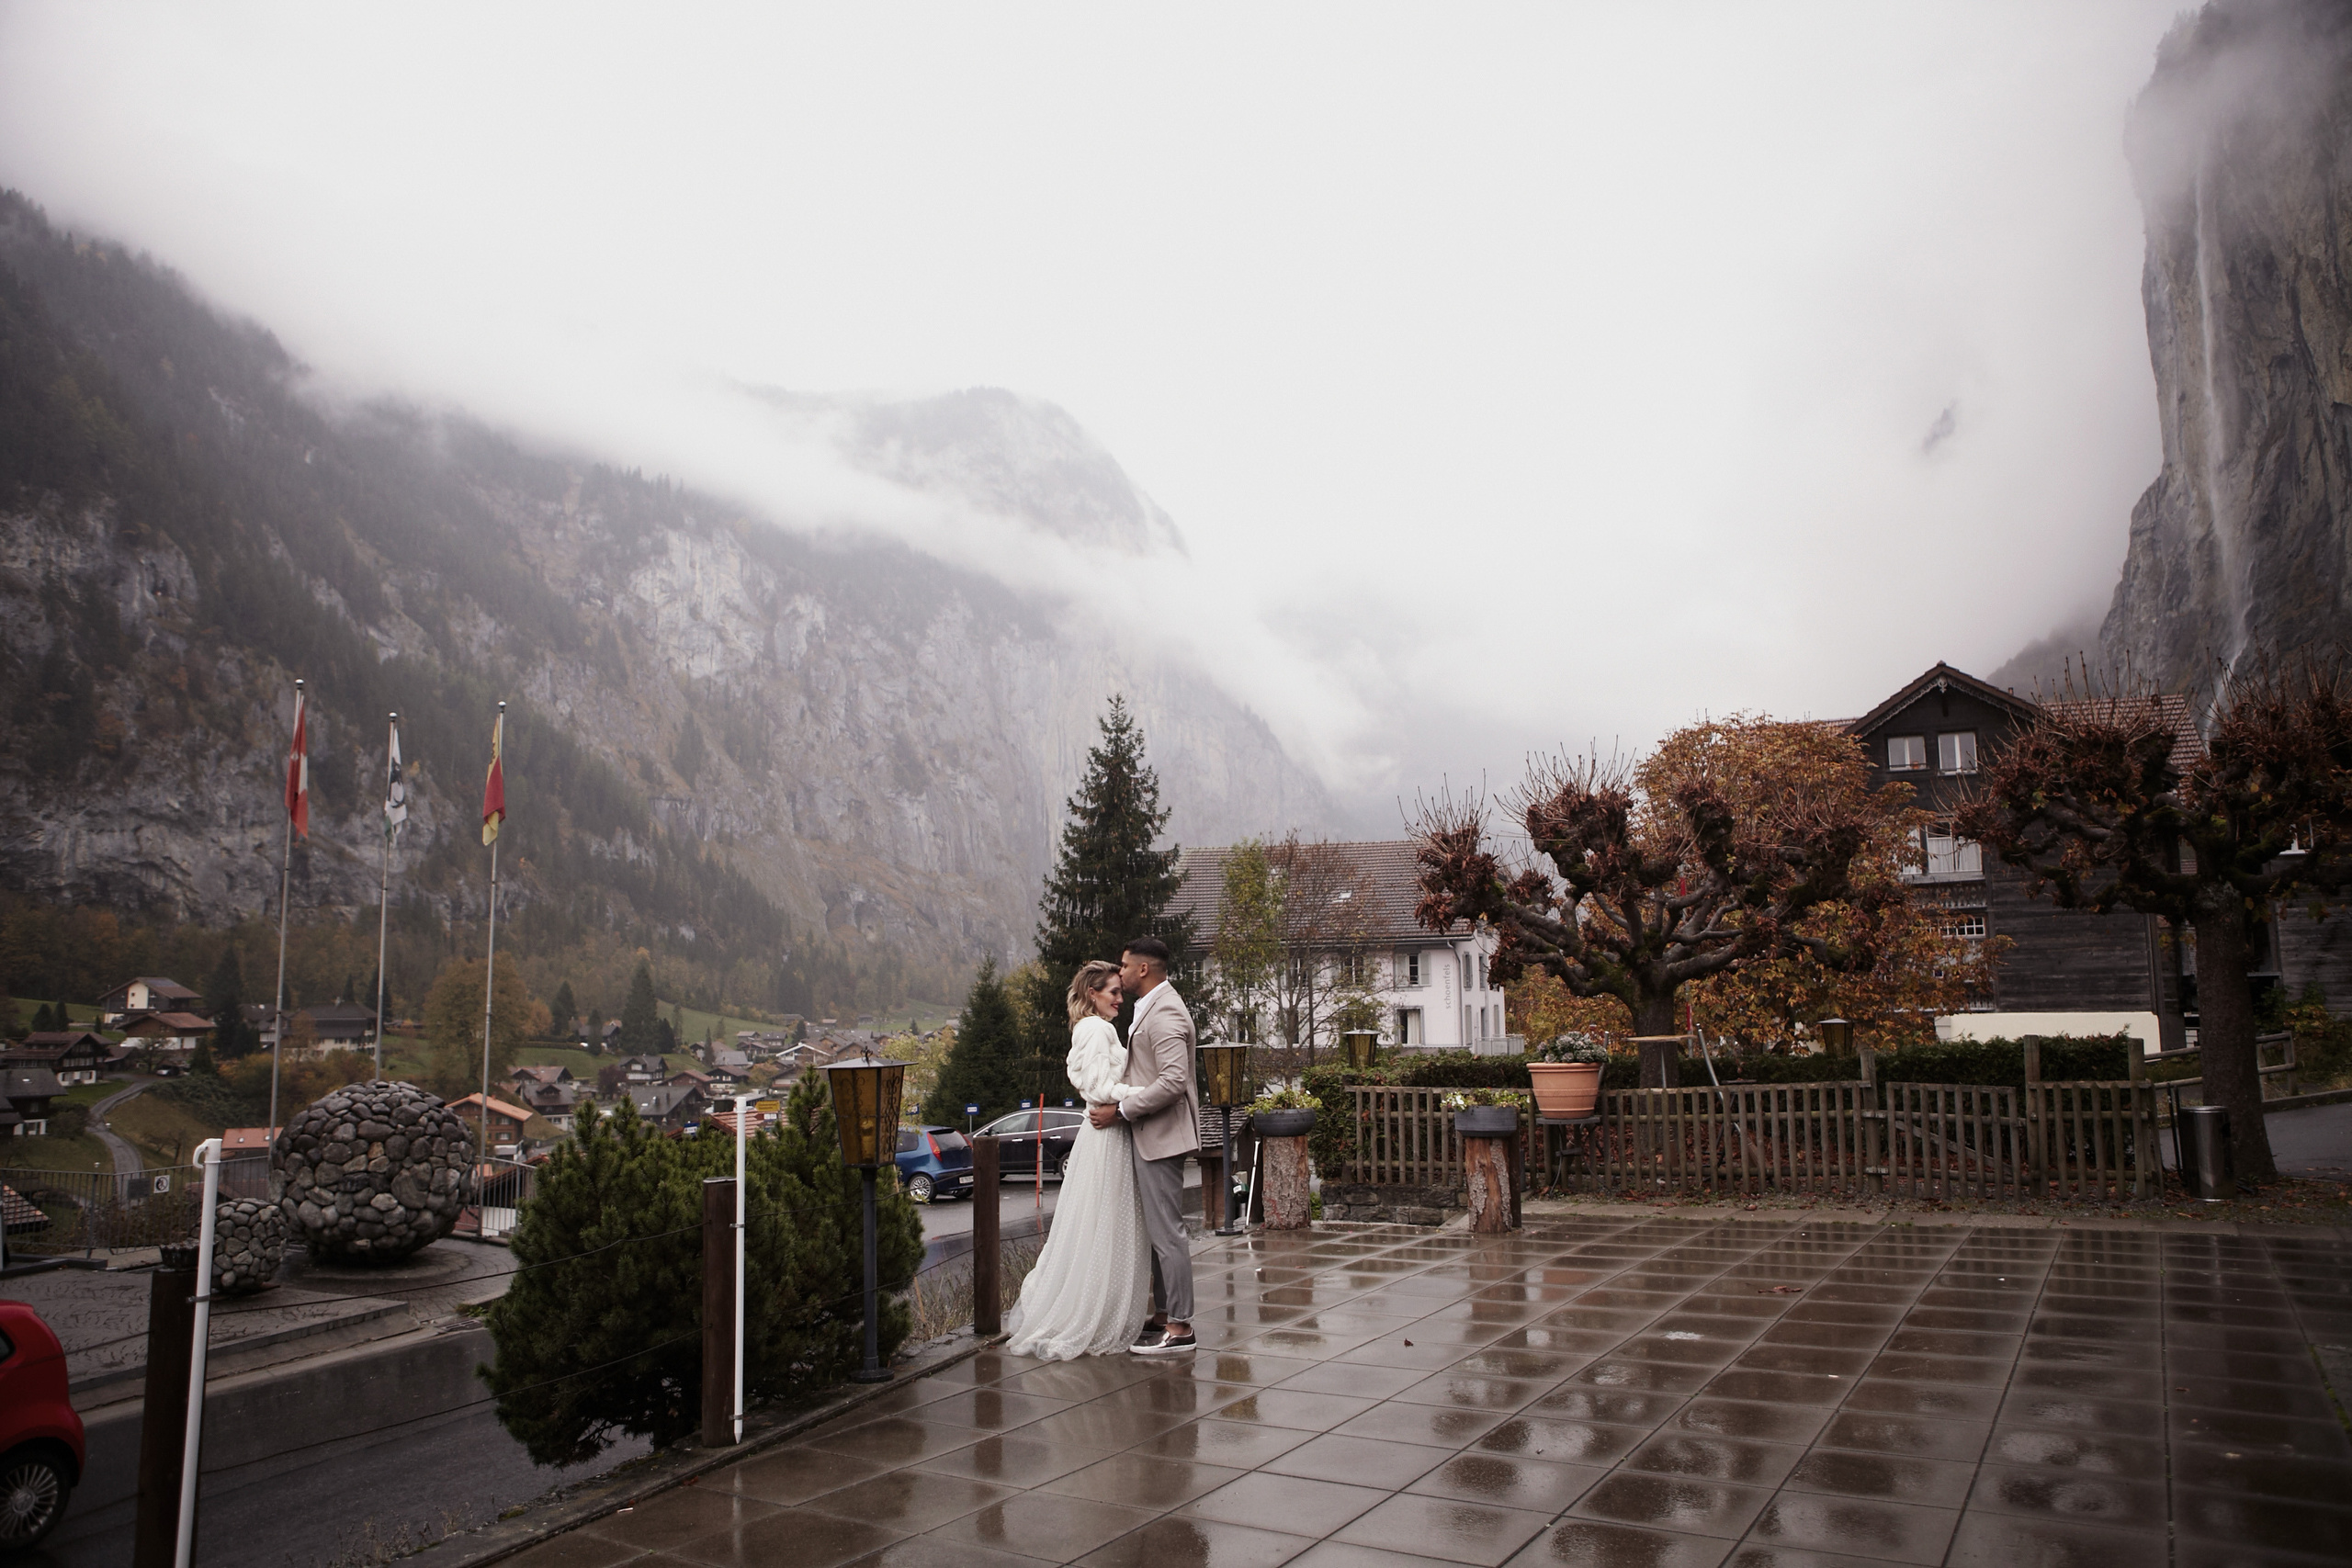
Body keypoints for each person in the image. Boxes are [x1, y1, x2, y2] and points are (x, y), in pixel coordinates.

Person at [1002, 961, 1150, 1359]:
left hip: (1098, 1135)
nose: (1120, 999)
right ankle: (1094, 1313)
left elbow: (1084, 1079)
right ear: (1093, 994)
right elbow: (1101, 1087)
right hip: (1108, 1135)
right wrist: (1148, 1090)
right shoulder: (1098, 1029)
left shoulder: (1087, 1029)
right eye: (1113, 992)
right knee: (1107, 1220)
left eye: (1120, 991)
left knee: (1094, 1220)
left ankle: (1096, 1306)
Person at [1089, 935, 1200, 1354]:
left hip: (1162, 1135)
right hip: (1151, 1134)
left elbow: (1172, 1083)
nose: (1118, 973)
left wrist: (1120, 1111)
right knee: (1158, 1233)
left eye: (1122, 965)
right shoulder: (1149, 1007)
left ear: (1142, 969)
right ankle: (1163, 1314)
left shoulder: (1167, 1012)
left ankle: (1181, 1327)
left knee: (1169, 1234)